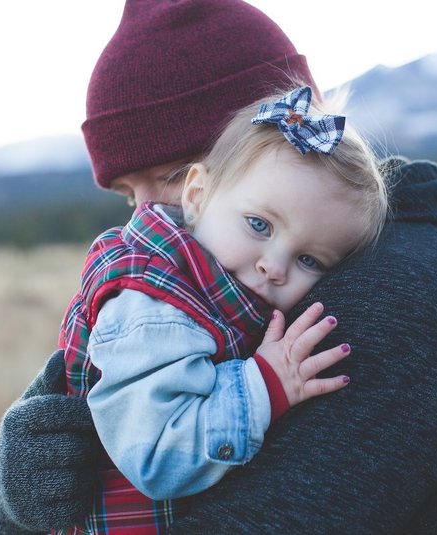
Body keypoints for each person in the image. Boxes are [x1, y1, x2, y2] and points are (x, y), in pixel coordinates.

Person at [0, 1, 437, 534]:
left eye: (177, 175)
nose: (150, 219)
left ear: (285, 135)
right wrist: (12, 505)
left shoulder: (400, 297)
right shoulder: (243, 283)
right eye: (130, 196)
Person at [55, 85, 387, 533]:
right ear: (196, 194)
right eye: (259, 225)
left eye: (309, 260)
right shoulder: (154, 306)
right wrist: (264, 384)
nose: (274, 266)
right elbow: (156, 456)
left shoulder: (215, 286)